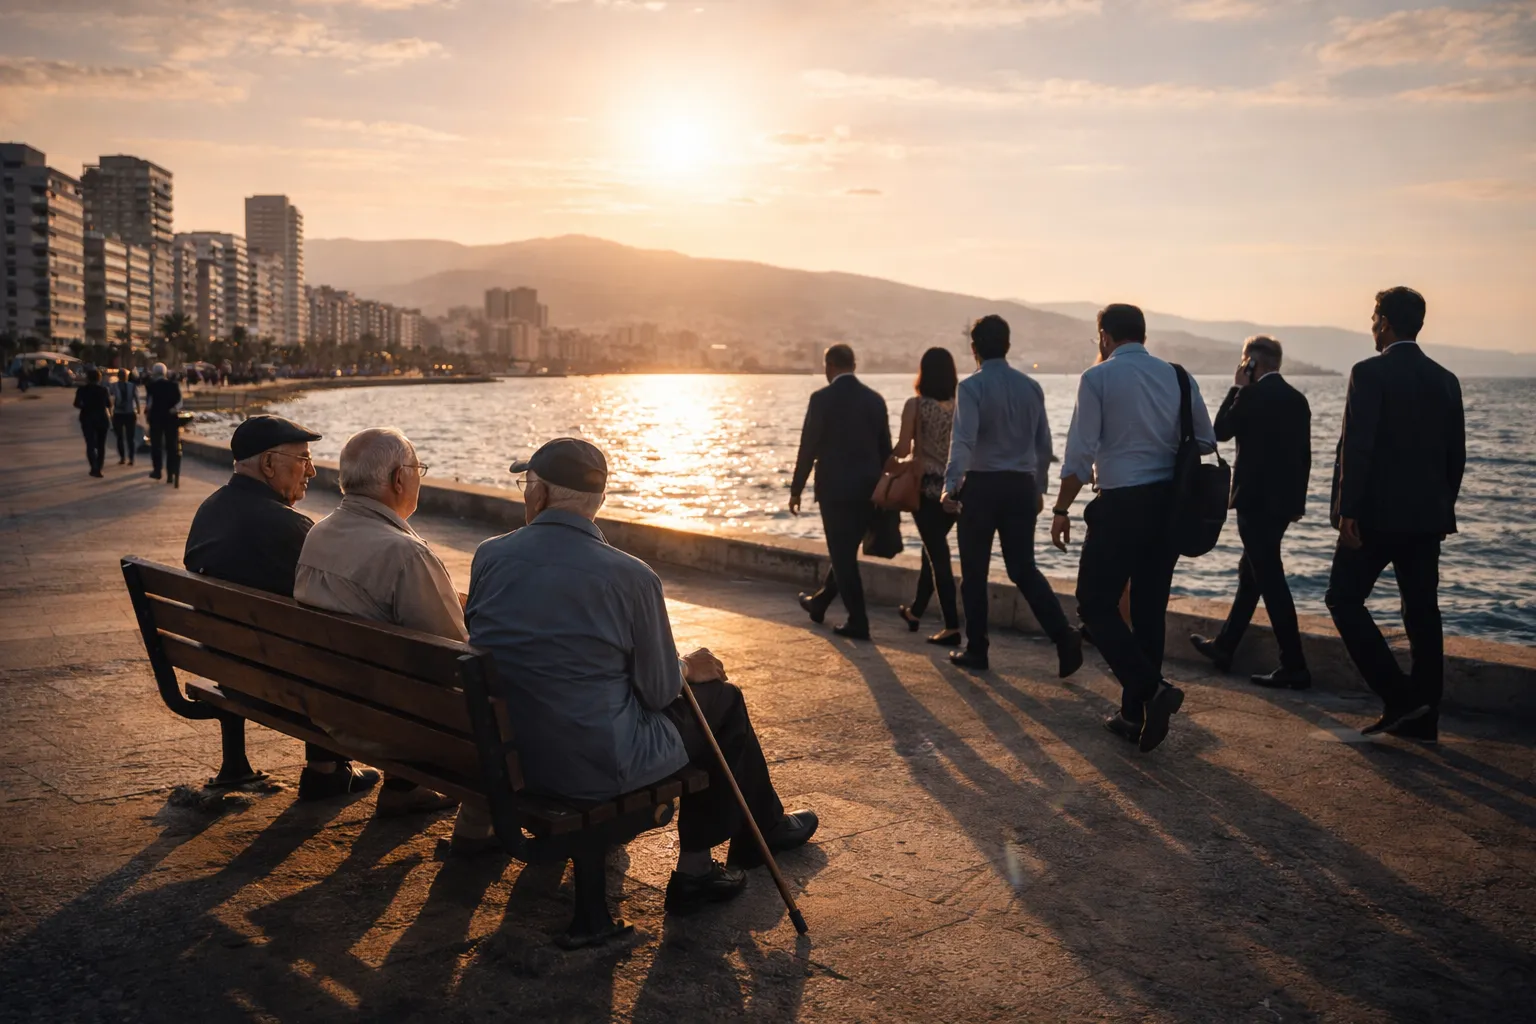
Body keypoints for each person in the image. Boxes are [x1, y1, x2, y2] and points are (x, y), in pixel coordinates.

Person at [468, 438, 818, 916]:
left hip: (508, 754)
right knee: (723, 700)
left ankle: (764, 827)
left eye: (527, 483)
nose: (526, 492)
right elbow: (657, 693)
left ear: (540, 494)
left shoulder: (490, 555)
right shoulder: (631, 576)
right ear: (599, 500)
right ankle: (702, 865)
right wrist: (684, 666)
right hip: (590, 768)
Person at [185, 414, 379, 798]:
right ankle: (337, 771)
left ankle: (326, 768)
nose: (312, 471)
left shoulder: (210, 510)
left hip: (228, 668)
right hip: (282, 682)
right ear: (269, 464)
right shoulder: (288, 527)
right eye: (303, 459)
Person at [1049, 304, 1216, 753]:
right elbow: (1205, 440)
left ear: (1104, 336)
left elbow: (1079, 456)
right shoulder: (1179, 376)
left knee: (1094, 604)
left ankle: (1150, 689)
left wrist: (1061, 508)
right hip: (1169, 507)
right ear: (1143, 334)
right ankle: (1132, 715)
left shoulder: (1097, 377)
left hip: (1121, 504)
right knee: (1148, 611)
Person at [294, 427, 463, 817]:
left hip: (328, 705)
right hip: (389, 722)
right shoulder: (406, 553)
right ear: (399, 479)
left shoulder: (319, 533)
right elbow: (453, 655)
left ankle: (405, 787)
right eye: (418, 469)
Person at [1325, 287, 1464, 741]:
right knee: (1422, 610)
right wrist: (1442, 508)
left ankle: (1400, 698)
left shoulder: (1368, 372)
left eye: (1373, 318)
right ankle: (1424, 716)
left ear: (1384, 322)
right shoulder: (1446, 379)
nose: (1371, 326)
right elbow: (1456, 456)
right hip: (1427, 518)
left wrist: (1347, 510)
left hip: (1374, 516)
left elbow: (1358, 445)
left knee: (1343, 599)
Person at [942, 316, 1082, 674]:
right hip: (1020, 486)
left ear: (973, 348)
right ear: (1007, 345)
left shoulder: (971, 387)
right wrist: (1039, 488)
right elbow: (1043, 445)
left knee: (974, 573)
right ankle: (1064, 636)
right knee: (1023, 569)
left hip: (981, 486)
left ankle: (977, 649)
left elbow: (963, 441)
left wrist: (950, 485)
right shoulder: (1031, 387)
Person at [1190, 336, 1312, 688]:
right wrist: (1297, 504)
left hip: (1253, 502)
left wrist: (1236, 388)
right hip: (1282, 505)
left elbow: (1218, 432)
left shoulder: (1250, 395)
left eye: (1245, 362)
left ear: (1251, 363)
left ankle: (1294, 665)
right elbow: (1304, 457)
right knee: (1252, 575)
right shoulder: (1297, 399)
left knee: (1269, 579)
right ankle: (1225, 646)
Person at [789, 344, 892, 640]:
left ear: (829, 366)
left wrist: (796, 489)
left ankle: (858, 622)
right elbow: (885, 449)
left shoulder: (821, 399)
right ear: (854, 366)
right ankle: (819, 603)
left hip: (834, 491)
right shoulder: (875, 400)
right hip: (868, 490)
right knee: (845, 551)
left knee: (842, 555)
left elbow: (808, 447)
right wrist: (884, 490)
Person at [893, 347, 962, 645]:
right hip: (956, 490)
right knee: (931, 549)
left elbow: (903, 448)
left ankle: (952, 626)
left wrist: (885, 458)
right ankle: (916, 612)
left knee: (938, 556)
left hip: (926, 490)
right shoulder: (961, 406)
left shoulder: (916, 405)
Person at [144, 363, 182, 486]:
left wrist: (147, 415)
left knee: (156, 445)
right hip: (171, 419)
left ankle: (157, 471)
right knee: (171, 446)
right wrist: (173, 410)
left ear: (154, 373)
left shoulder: (151, 386)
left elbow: (149, 403)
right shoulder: (173, 385)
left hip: (156, 419)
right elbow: (179, 402)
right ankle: (170, 474)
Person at [73, 368, 112, 478]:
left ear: (87, 378)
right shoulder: (103, 390)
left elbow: (76, 404)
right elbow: (109, 404)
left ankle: (94, 467)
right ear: (99, 378)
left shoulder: (82, 390)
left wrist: (85, 406)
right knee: (101, 445)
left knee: (90, 444)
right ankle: (99, 468)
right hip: (102, 419)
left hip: (87, 418)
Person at [110, 369, 139, 466]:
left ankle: (128, 458)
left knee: (125, 438)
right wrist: (138, 410)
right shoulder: (114, 386)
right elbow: (111, 399)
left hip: (126, 413)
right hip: (123, 413)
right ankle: (126, 458)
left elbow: (136, 398)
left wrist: (138, 410)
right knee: (124, 437)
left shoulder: (131, 386)